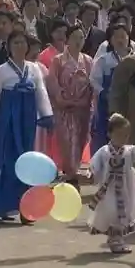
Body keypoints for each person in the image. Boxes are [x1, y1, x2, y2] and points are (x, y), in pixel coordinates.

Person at [0, 30, 53, 222]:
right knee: (8, 162)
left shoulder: (34, 69)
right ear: (9, 47)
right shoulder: (0, 71)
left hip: (27, 120)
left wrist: (46, 115)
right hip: (7, 122)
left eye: (22, 43)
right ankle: (4, 205)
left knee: (28, 163)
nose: (20, 46)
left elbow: (41, 93)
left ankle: (27, 208)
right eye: (15, 43)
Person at [88, 113, 135, 254]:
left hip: (125, 189)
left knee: (123, 213)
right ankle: (115, 240)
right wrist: (90, 173)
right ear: (110, 134)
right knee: (112, 212)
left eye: (126, 135)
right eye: (120, 134)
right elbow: (95, 166)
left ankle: (116, 240)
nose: (123, 138)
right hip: (109, 190)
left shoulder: (129, 151)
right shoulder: (104, 152)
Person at [46, 23, 93, 184]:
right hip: (64, 110)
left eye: (81, 38)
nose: (78, 41)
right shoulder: (58, 61)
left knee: (79, 141)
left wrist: (83, 101)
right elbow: (53, 83)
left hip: (82, 110)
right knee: (66, 142)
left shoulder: (87, 60)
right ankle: (70, 176)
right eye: (74, 38)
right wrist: (62, 100)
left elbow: (90, 86)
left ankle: (74, 173)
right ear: (67, 40)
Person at [90, 23, 132, 155]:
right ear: (110, 40)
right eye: (116, 37)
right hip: (107, 104)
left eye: (123, 37)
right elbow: (94, 80)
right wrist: (103, 93)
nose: (120, 40)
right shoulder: (104, 60)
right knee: (104, 134)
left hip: (130, 103)